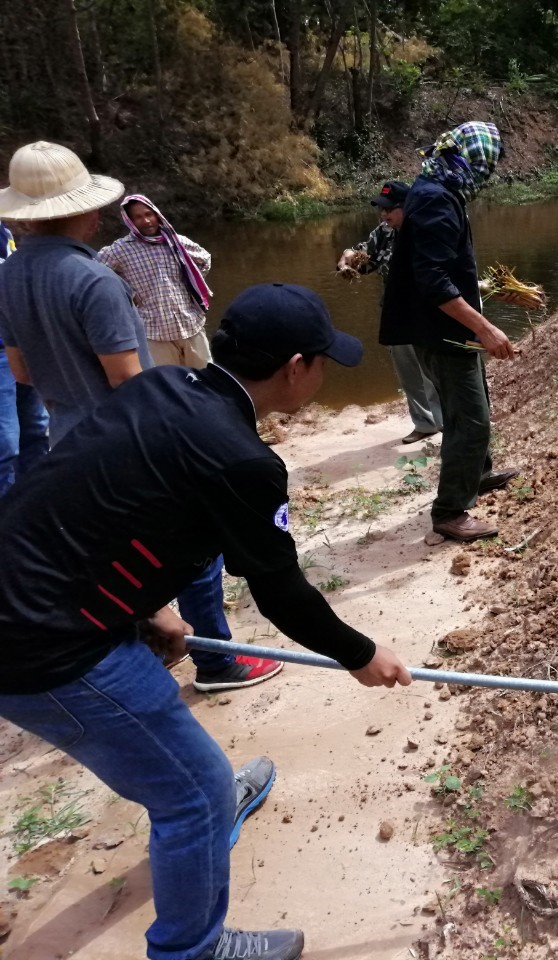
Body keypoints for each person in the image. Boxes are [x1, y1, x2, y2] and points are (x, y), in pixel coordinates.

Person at [0, 281, 414, 960]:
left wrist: (145, 607)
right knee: (191, 796)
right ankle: (193, 945)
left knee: (188, 773)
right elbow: (281, 593)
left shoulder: (159, 387)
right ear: (295, 368)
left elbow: (98, 506)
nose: (322, 375)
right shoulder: (243, 460)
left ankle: (211, 796)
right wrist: (361, 653)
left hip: (32, 592)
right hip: (47, 647)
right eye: (322, 362)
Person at [0, 141, 280, 693]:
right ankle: (216, 661)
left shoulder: (8, 277)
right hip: (125, 443)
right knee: (195, 550)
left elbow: (22, 371)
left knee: (108, 557)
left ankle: (146, 652)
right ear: (84, 210)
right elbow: (127, 382)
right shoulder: (95, 280)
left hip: (65, 437)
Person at [381, 121, 519, 542]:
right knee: (470, 420)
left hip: (445, 327)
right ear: (471, 162)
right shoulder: (437, 200)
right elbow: (435, 281)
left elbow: (442, 266)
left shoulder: (435, 189)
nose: (487, 175)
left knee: (474, 403)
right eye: (486, 167)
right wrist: (486, 329)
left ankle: (478, 474)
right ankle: (450, 512)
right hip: (442, 331)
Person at [336, 180, 443, 443]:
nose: (384, 215)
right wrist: (347, 258)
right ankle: (424, 423)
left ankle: (447, 427)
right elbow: (365, 260)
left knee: (433, 372)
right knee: (408, 372)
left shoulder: (427, 230)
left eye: (390, 209)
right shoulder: (384, 233)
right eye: (382, 209)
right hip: (396, 312)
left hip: (427, 312)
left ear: (408, 206)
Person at [97, 193, 214, 367]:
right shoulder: (120, 250)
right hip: (154, 333)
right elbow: (96, 273)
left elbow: (204, 259)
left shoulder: (176, 242)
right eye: (138, 217)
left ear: (156, 215)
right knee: (166, 381)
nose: (146, 221)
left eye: (148, 214)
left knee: (205, 377)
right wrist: (127, 295)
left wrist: (191, 283)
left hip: (190, 324)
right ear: (130, 221)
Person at [0, 218, 50, 496]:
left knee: (37, 429)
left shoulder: (4, 231)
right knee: (6, 444)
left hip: (21, 343)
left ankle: (36, 501)